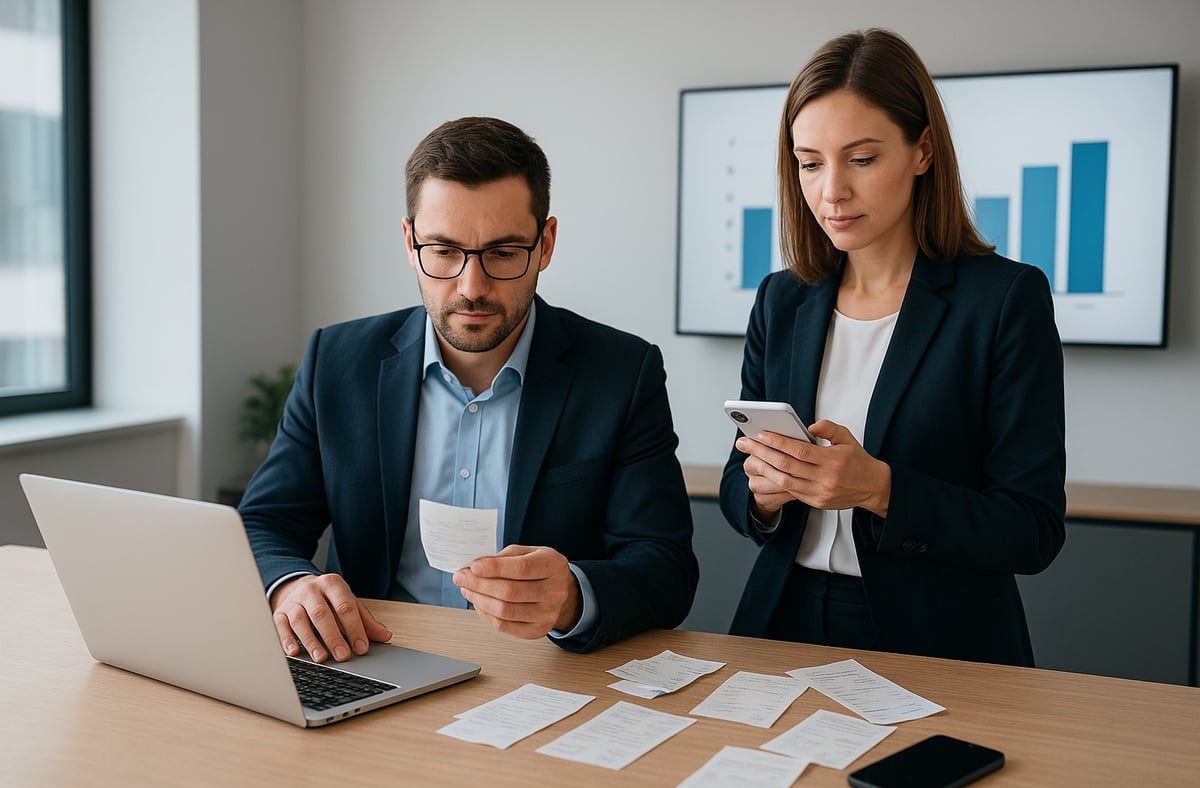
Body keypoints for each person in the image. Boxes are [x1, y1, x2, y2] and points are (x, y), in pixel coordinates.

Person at [240, 116, 697, 662]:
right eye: (443, 250)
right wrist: (290, 584)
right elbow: (265, 521)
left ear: (546, 244)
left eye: (503, 253)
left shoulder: (622, 372)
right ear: (410, 242)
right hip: (372, 661)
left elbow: (666, 568)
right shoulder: (337, 362)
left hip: (542, 674)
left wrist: (573, 597)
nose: (471, 287)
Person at [719, 29, 1066, 667]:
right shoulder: (781, 299)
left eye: (861, 158)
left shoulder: (1004, 299)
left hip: (936, 641)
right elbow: (735, 488)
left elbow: (1032, 530)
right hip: (783, 619)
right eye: (810, 163)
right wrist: (765, 493)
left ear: (922, 151)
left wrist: (880, 488)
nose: (831, 191)